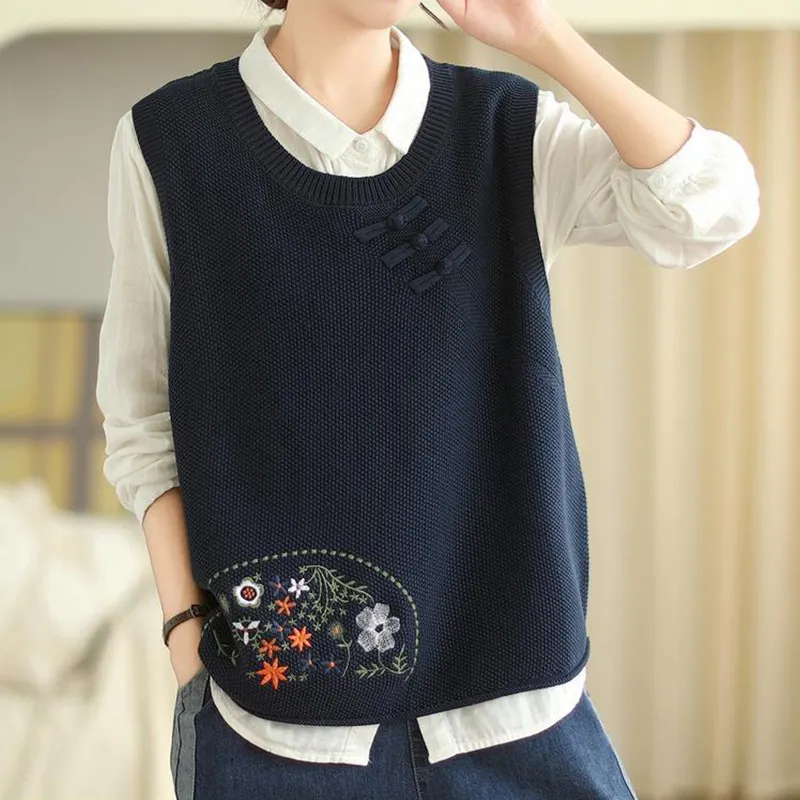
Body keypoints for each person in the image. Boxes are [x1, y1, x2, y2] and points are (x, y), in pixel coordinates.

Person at [96, 0, 760, 798]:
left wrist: (542, 36)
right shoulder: (169, 141)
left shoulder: (503, 126)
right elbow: (142, 421)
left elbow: (710, 207)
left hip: (521, 714)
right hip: (276, 728)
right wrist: (184, 633)